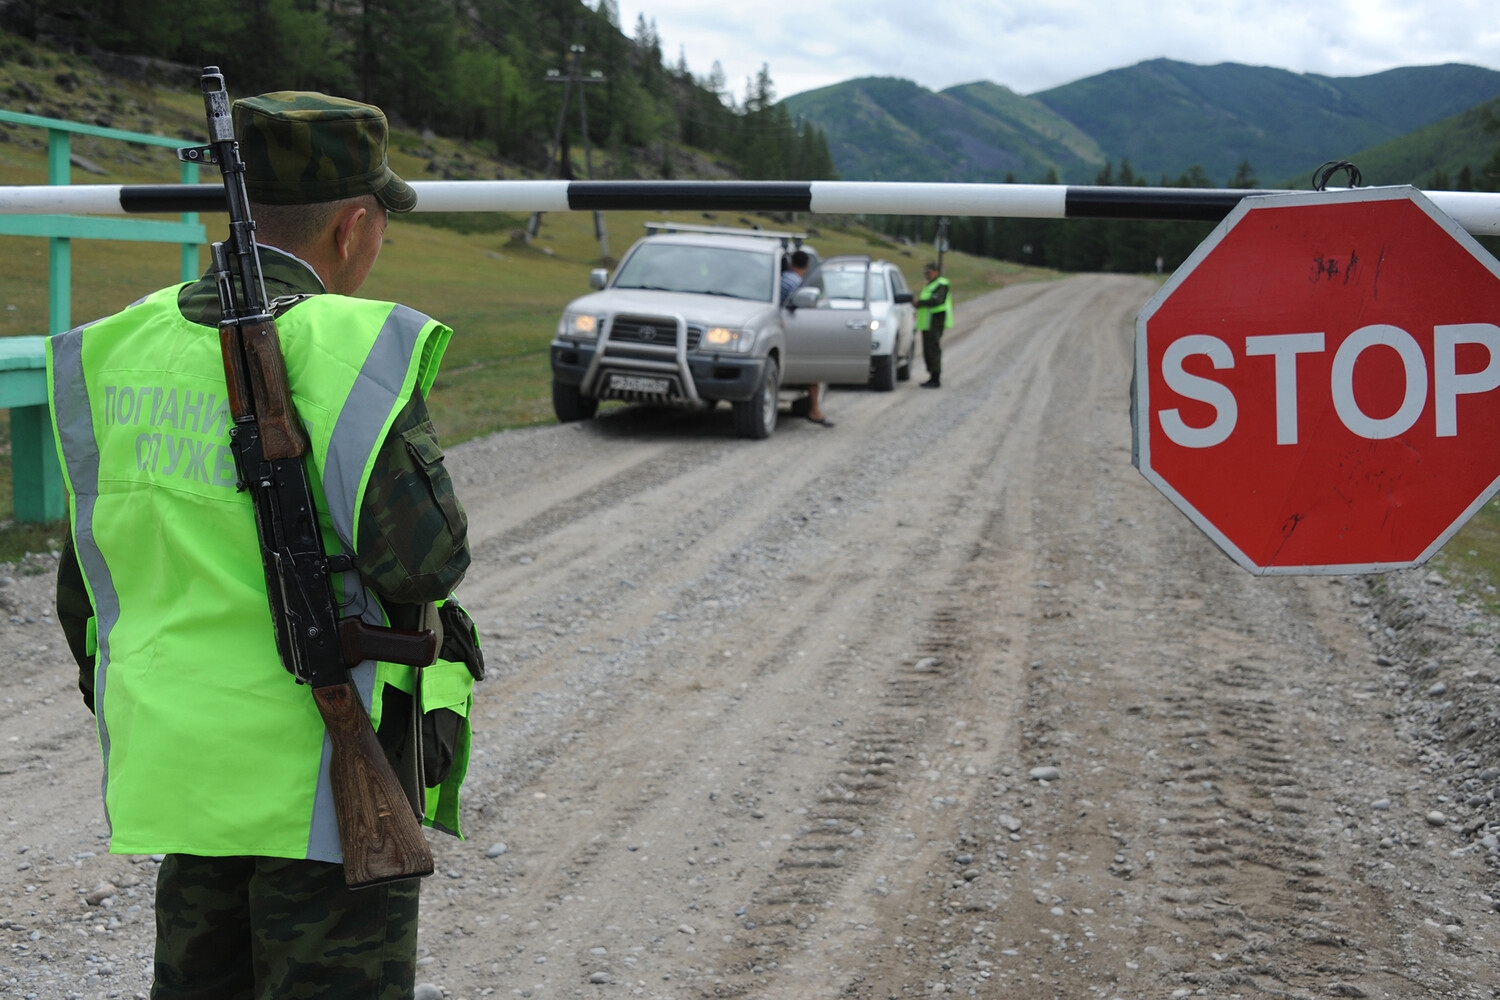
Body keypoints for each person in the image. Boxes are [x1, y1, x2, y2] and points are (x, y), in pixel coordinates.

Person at [49, 92, 473, 999]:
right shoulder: (350, 345)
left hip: (184, 771)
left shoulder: (117, 346)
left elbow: (85, 581)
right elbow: (426, 561)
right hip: (321, 773)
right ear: (356, 228)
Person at [778, 249, 833, 426]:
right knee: (813, 369)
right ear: (807, 266)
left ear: (790, 262)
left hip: (776, 328)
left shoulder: (781, 279)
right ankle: (815, 410)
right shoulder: (798, 284)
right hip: (789, 331)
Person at [916, 261, 953, 388]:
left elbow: (937, 300)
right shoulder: (930, 284)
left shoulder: (941, 284)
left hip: (936, 321)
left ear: (936, 271)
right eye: (925, 272)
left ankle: (935, 378)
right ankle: (932, 376)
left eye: (929, 272)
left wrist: (919, 303)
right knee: (928, 350)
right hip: (927, 322)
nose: (927, 274)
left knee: (933, 349)